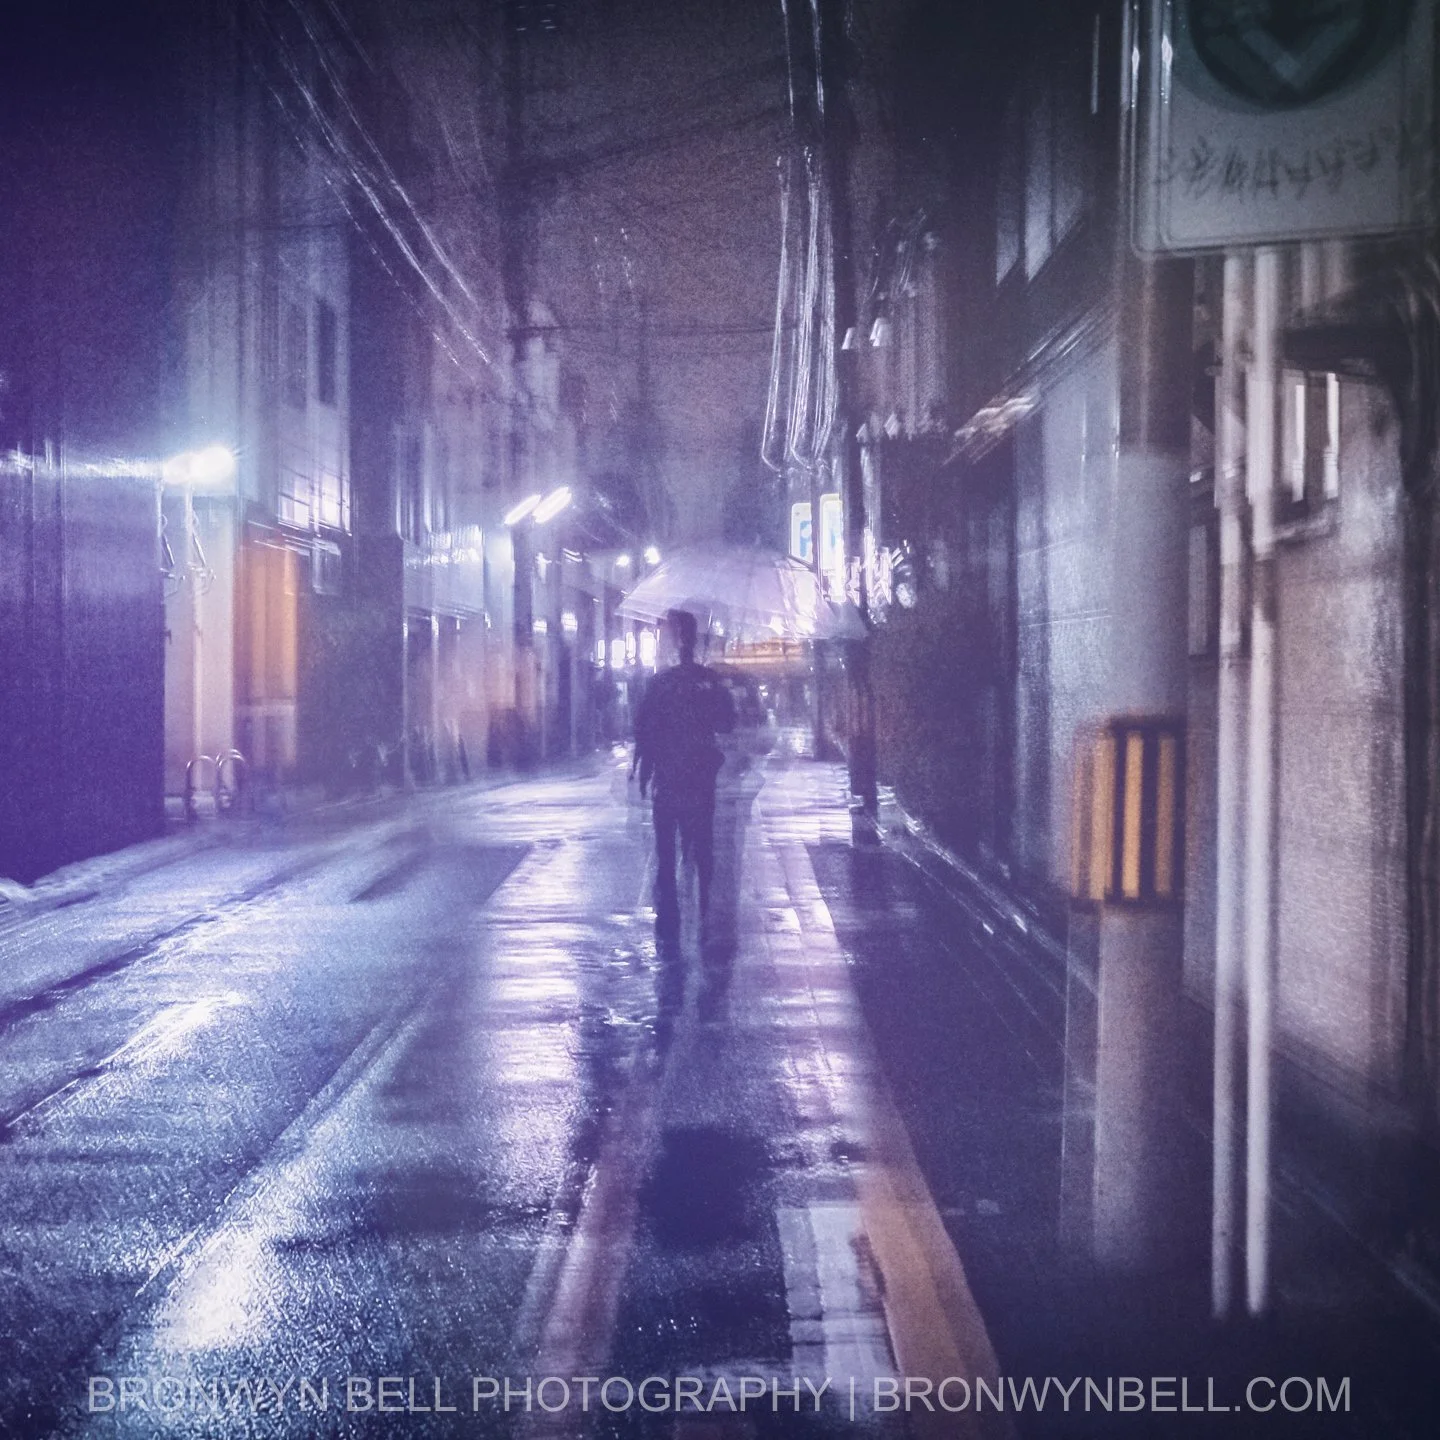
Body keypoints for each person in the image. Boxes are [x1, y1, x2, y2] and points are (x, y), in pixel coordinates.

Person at [633, 608, 735, 938]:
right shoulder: (709, 682)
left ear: (675, 641)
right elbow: (727, 723)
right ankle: (704, 911)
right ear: (696, 640)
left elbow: (644, 729)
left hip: (667, 775)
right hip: (700, 775)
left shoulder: (660, 683)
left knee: (666, 849)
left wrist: (645, 770)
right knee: (703, 843)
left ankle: (668, 920)